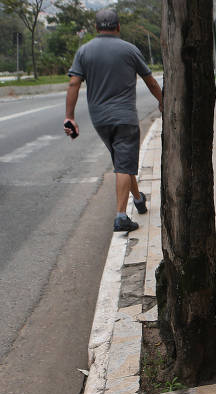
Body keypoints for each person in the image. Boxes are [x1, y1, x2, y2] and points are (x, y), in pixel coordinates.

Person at [64, 8, 163, 232]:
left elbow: (73, 84)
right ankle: (120, 217)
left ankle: (138, 200)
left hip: (100, 120)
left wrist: (69, 116)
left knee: (122, 161)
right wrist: (163, 101)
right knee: (124, 163)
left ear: (96, 28)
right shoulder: (129, 49)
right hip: (125, 118)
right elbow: (150, 81)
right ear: (118, 27)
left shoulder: (84, 51)